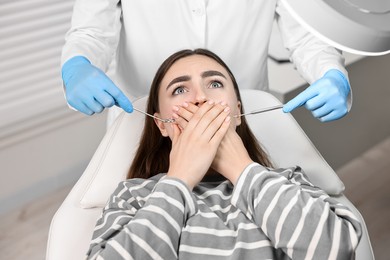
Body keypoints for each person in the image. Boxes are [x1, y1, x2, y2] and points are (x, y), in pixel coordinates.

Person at [86, 49, 361, 259]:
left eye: (215, 84)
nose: (201, 98)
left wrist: (241, 167)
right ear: (161, 124)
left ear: (238, 112)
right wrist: (179, 179)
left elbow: (335, 250)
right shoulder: (134, 196)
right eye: (180, 89)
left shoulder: (287, 184)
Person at [61, 0, 352, 125]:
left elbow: (307, 37)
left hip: (244, 120)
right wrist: (78, 66)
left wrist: (331, 74)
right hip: (142, 118)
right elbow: (91, 32)